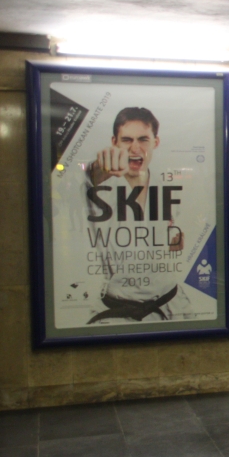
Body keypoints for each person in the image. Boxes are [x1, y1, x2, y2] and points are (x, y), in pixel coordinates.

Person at [84, 107, 192, 324]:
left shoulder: (167, 187)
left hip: (172, 303)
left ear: (155, 142)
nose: (135, 148)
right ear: (114, 142)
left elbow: (179, 232)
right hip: (117, 309)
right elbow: (93, 177)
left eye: (143, 139)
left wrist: (176, 239)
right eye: (126, 140)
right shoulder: (102, 187)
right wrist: (99, 167)